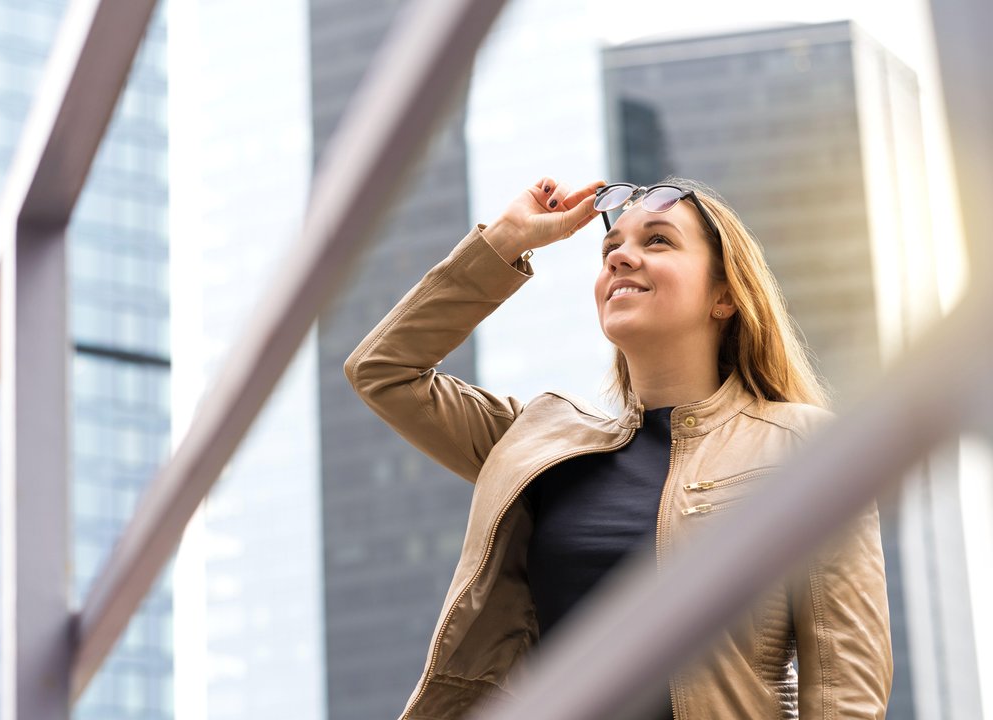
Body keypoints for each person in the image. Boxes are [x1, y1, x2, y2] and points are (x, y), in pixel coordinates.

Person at [344, 176, 893, 719]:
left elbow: (847, 694)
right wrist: (508, 239)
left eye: (658, 240)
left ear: (724, 295)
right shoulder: (540, 444)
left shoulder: (801, 447)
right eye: (611, 247)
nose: (621, 258)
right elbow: (383, 370)